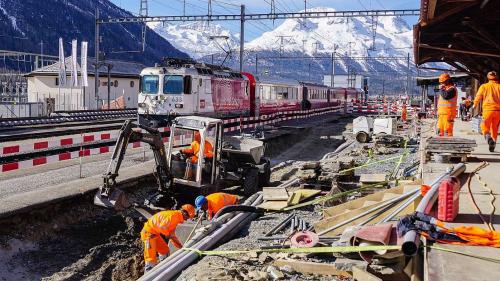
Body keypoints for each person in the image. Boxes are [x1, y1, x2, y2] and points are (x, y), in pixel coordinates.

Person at [140, 204, 195, 272]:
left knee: (165, 251)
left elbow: (172, 235)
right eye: (188, 217)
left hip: (155, 234)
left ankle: (163, 269)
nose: (187, 219)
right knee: (150, 258)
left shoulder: (177, 218)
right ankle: (148, 274)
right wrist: (167, 234)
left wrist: (180, 246)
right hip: (148, 234)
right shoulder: (173, 216)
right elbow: (162, 227)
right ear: (184, 212)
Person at [473, 71, 500, 152]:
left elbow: (478, 96)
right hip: (498, 111)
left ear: (488, 78)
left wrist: (474, 105)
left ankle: (489, 139)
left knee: (484, 126)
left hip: (488, 110)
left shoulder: (484, 86)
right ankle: (494, 142)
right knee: (494, 128)